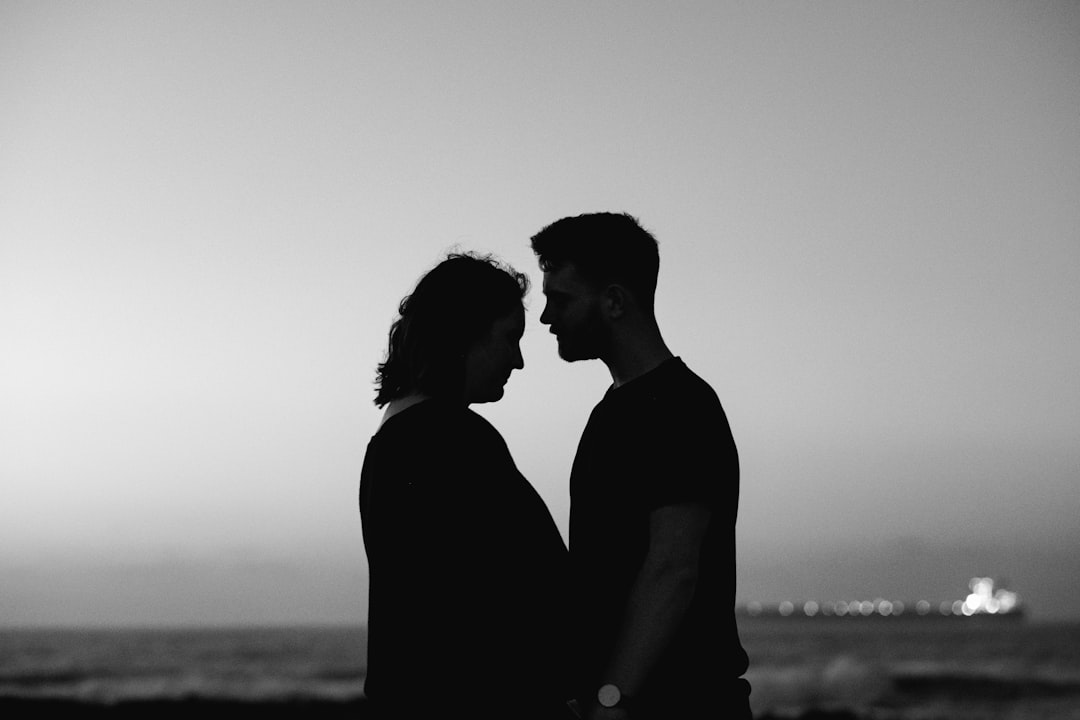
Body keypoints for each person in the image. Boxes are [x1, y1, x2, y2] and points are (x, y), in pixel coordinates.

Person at [530, 213, 752, 719]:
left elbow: (672, 569)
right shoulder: (613, 410)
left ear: (613, 301)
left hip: (680, 705)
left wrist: (613, 697)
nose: (546, 318)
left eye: (560, 299)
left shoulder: (681, 406)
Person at [359, 252, 573, 719]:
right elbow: (540, 584)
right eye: (509, 338)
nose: (517, 361)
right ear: (463, 335)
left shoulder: (390, 440)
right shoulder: (455, 438)